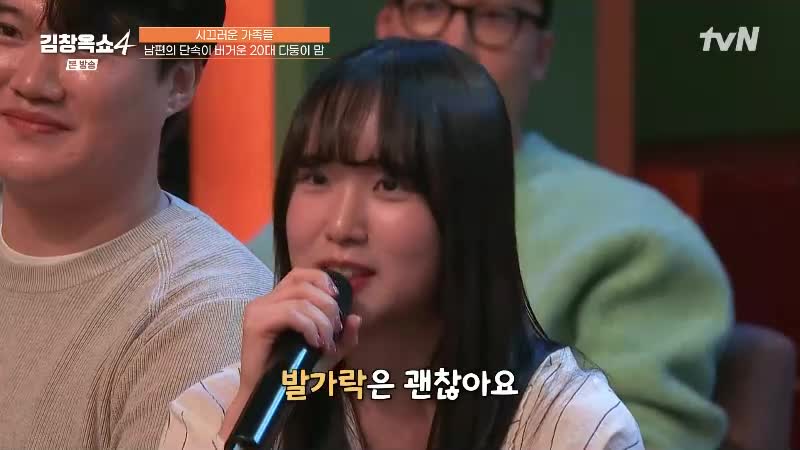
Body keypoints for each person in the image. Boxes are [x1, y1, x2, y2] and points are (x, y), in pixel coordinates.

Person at [246, 2, 734, 449]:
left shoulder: (640, 239)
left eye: (496, 16)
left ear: (542, 52)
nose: (456, 39)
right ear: (387, 26)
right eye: (429, 7)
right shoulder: (276, 243)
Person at [159, 38, 644, 450]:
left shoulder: (568, 426)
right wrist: (253, 411)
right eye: (317, 178)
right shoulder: (216, 411)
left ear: (468, 210)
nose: (342, 225)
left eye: (389, 184)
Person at [0, 0, 273, 448]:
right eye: (9, 31)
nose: (31, 82)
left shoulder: (209, 318)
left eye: (88, 44)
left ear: (179, 81)